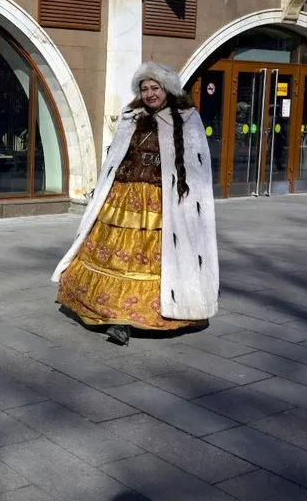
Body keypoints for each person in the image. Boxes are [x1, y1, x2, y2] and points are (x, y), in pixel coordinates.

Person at [53, 62, 219, 346]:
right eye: (145, 89)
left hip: (163, 203)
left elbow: (195, 166)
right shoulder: (132, 117)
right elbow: (117, 157)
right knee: (117, 256)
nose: (150, 94)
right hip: (124, 198)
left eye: (155, 88)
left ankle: (170, 310)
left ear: (166, 89)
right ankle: (118, 319)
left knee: (157, 259)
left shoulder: (187, 118)